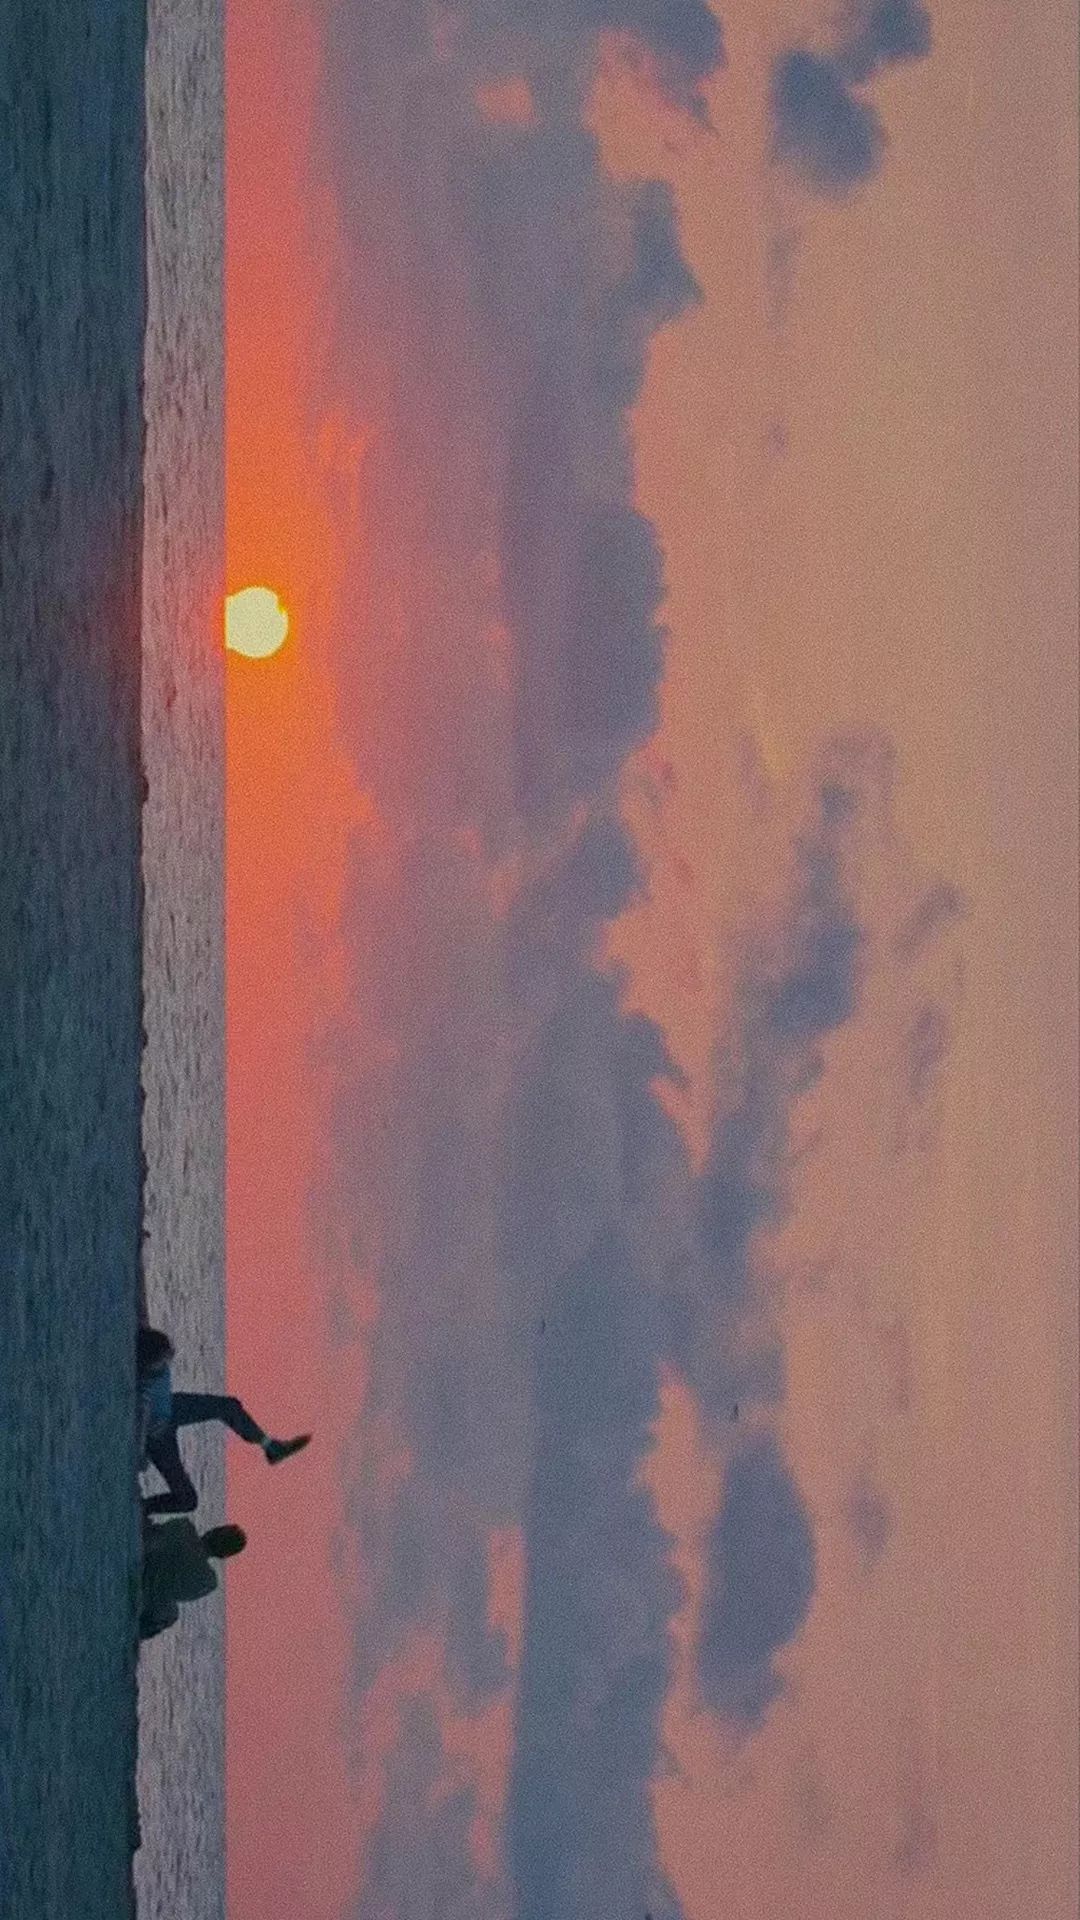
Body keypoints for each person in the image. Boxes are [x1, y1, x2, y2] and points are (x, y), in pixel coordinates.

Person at [137, 1325, 310, 1516]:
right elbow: (139, 1431)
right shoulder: (144, 1393)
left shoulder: (153, 1361)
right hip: (159, 1436)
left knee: (229, 1406)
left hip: (174, 1407)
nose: (169, 1361)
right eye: (164, 1360)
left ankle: (270, 1446)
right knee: (188, 1500)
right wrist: (141, 1453)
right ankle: (143, 1507)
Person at [139, 1517, 247, 1641]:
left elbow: (149, 1538)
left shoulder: (183, 1527)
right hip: (144, 1598)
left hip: (137, 1564)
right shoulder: (207, 1582)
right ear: (223, 1556)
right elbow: (179, 1596)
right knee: (171, 1615)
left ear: (213, 1530)